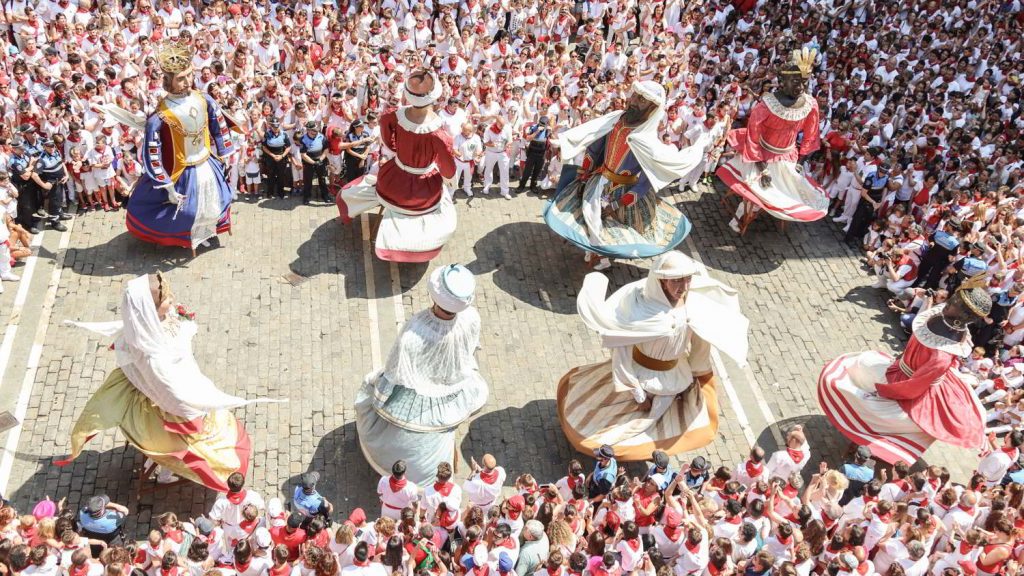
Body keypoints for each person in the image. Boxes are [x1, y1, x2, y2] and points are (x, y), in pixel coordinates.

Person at [57, 273, 277, 491]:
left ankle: (163, 466)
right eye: (166, 301)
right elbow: (171, 392)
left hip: (179, 386)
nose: (172, 302)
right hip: (169, 406)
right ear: (148, 310)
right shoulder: (150, 354)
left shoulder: (142, 324)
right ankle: (165, 473)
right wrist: (195, 410)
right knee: (185, 449)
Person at [557, 251, 748, 460]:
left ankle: (651, 451)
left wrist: (698, 370)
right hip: (639, 377)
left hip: (674, 375)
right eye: (676, 280)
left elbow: (702, 339)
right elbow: (621, 353)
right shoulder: (640, 311)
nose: (683, 287)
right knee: (629, 426)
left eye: (687, 279)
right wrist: (637, 393)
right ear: (662, 281)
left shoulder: (694, 302)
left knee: (657, 422)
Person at [819, 274, 992, 464]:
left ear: (965, 316)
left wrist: (884, 391)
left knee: (876, 410)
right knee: (862, 363)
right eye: (956, 296)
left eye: (957, 302)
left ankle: (871, 445)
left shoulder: (942, 355)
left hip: (912, 388)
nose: (951, 300)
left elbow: (915, 386)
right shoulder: (942, 314)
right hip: (903, 368)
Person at [544, 81, 702, 271]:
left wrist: (616, 204)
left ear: (652, 108)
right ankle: (596, 251)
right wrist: (585, 173)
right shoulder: (615, 120)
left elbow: (645, 183)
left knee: (608, 227)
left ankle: (602, 255)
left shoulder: (648, 142)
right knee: (589, 218)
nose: (633, 101)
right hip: (599, 179)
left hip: (623, 193)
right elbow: (595, 147)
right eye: (635, 95)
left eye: (642, 100)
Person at [354, 264, 488, 484]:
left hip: (416, 389)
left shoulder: (415, 330)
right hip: (454, 386)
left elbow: (396, 369)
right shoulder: (471, 318)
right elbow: (469, 350)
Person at [120, 40, 235, 254]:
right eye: (181, 78)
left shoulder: (205, 99)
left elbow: (219, 125)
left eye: (190, 75)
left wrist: (226, 152)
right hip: (182, 170)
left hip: (207, 162)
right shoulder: (160, 117)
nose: (187, 81)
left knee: (216, 202)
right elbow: (152, 154)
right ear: (169, 81)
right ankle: (187, 237)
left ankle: (206, 232)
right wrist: (167, 186)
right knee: (188, 212)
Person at [337, 69, 457, 263]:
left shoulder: (392, 116)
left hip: (395, 174)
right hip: (422, 185)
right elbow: (448, 169)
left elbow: (387, 139)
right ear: (433, 98)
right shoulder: (439, 135)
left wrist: (399, 150)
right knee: (443, 198)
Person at [717, 49, 828, 234]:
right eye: (795, 81)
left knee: (792, 191)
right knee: (759, 191)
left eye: (804, 82)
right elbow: (753, 138)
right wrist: (762, 168)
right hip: (761, 155)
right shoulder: (766, 106)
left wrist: (799, 161)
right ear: (782, 82)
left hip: (788, 156)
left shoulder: (810, 104)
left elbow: (810, 134)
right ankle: (740, 218)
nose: (800, 87)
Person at [33, 138, 71, 231]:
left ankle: (60, 214)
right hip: (53, 184)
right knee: (54, 203)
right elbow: (34, 175)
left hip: (60, 181)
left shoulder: (56, 152)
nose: (51, 148)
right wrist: (44, 185)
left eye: (52, 146)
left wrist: (66, 174)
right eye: (49, 147)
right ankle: (54, 222)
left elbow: (61, 163)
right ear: (44, 147)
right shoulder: (42, 160)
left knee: (60, 199)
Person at [298, 121, 329, 204]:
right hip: (308, 161)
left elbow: (326, 150)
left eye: (317, 129)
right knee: (308, 180)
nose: (316, 131)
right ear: (308, 130)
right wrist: (313, 163)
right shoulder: (303, 139)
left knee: (322, 179)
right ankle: (306, 197)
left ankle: (325, 195)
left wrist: (320, 160)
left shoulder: (322, 136)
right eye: (314, 130)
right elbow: (303, 155)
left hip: (320, 159)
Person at [519, 116, 551, 194]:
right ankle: (521, 186)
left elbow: (550, 140)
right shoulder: (533, 128)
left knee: (537, 171)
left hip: (541, 153)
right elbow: (528, 138)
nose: (542, 125)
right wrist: (537, 132)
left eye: (544, 124)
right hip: (532, 152)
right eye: (541, 123)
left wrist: (550, 130)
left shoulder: (548, 130)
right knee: (527, 170)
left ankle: (533, 186)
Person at [261, 118, 291, 199]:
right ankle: (270, 192)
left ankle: (281, 192)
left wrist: (282, 156)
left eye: (277, 127)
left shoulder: (284, 134)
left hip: (281, 156)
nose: (275, 128)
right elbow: (264, 147)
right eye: (274, 127)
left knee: (281, 175)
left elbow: (288, 147)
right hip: (270, 157)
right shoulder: (267, 134)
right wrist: (273, 155)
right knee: (271, 175)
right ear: (271, 126)